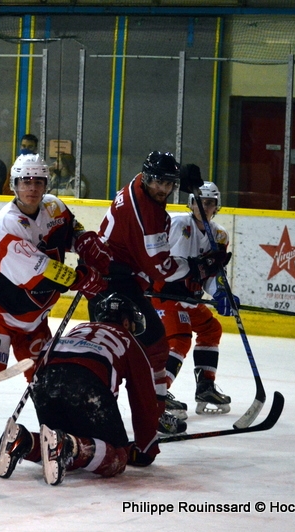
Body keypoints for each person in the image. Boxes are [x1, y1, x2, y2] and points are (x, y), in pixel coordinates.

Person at [0, 153, 109, 470]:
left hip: (34, 319)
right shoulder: (6, 226)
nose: (32, 187)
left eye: (38, 181)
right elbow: (47, 271)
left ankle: (57, 438)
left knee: (47, 381)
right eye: (26, 181)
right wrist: (84, 278)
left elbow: (73, 229)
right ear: (13, 185)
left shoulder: (54, 208)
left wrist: (86, 243)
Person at [85, 152, 228, 436]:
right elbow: (162, 268)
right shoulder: (152, 217)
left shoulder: (140, 186)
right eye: (157, 182)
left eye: (168, 183)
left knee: (147, 349)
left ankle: (153, 412)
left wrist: (212, 284)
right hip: (116, 283)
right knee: (124, 352)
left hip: (117, 278)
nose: (162, 188)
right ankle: (101, 418)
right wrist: (197, 269)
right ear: (146, 177)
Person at [0, 293, 161, 486]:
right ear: (125, 321)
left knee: (63, 449)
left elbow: (43, 361)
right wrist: (146, 449)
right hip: (85, 384)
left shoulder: (79, 328)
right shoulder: (129, 340)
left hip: (44, 383)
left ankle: (24, 441)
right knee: (116, 456)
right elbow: (144, 401)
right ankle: (67, 445)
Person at [151, 182, 237, 418]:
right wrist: (199, 268)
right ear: (191, 203)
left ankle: (205, 387)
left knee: (211, 329)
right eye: (200, 201)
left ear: (216, 206)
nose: (204, 206)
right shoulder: (179, 224)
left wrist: (220, 292)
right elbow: (169, 265)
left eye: (209, 202)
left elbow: (212, 273)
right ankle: (157, 393)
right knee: (179, 339)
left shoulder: (219, 235)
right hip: (165, 292)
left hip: (189, 297)